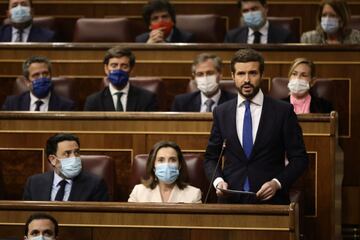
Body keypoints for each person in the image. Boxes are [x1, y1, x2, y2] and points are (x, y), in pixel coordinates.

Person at [204, 48, 308, 204]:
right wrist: (218, 181)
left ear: (262, 75)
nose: (246, 79)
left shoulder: (283, 111)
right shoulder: (221, 112)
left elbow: (299, 158)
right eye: (240, 74)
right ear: (232, 76)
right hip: (230, 201)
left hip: (272, 201)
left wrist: (277, 183)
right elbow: (211, 158)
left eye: (252, 73)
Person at [23, 133, 109, 201]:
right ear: (53, 159)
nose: (74, 158)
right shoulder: (34, 183)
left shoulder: (95, 185)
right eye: (67, 153)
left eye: (76, 152)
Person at [83, 47, 157, 111]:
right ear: (106, 69)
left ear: (131, 70)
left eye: (124, 66)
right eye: (114, 65)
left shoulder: (147, 99)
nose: (118, 70)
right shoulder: (93, 101)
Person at [128, 141, 202, 203]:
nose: (167, 165)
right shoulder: (138, 192)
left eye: (172, 160)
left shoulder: (194, 194)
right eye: (161, 160)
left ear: (179, 165)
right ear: (153, 165)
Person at [1, 56, 74, 111]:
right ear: (27, 82)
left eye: (45, 73)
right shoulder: (12, 104)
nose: (42, 78)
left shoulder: (66, 106)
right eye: (36, 75)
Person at [171, 53, 236, 112]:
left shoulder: (234, 102)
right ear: (194, 77)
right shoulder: (181, 102)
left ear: (220, 74)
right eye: (200, 74)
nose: (205, 78)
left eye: (210, 73)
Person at [224, 0, 297, 43]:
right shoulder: (232, 37)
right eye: (245, 11)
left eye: (254, 9)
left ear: (266, 8)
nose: (250, 14)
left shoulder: (285, 36)